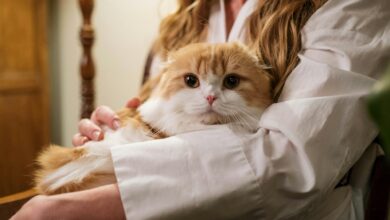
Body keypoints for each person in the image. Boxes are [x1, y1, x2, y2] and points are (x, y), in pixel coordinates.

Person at [12, 0, 390, 219]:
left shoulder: (350, 7)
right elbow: (155, 114)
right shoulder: (184, 18)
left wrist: (81, 206)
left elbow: (291, 162)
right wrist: (113, 132)